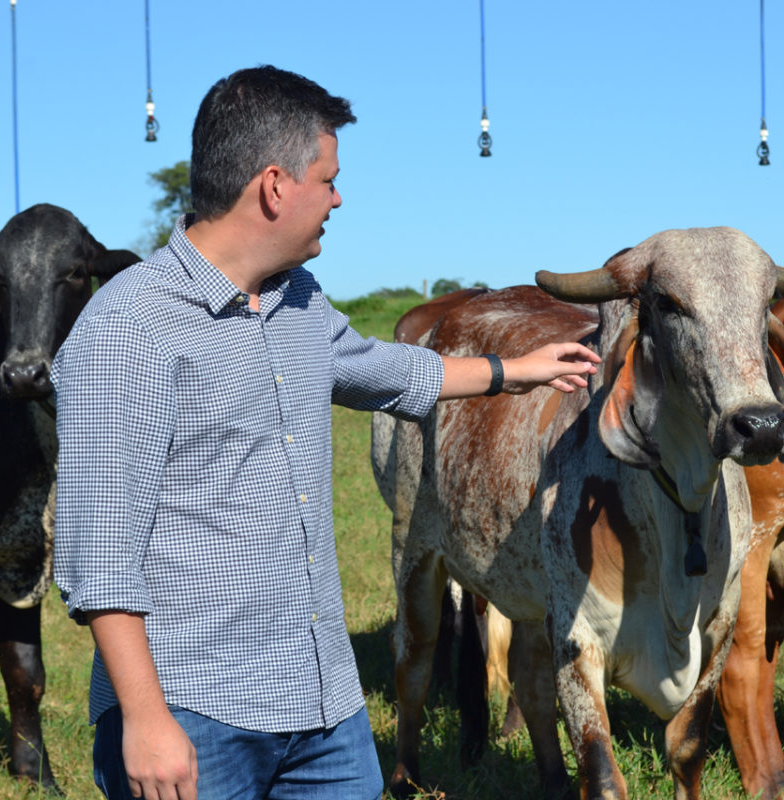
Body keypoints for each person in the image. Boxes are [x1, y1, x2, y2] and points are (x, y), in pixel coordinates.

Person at [52, 64, 599, 800]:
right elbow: (100, 554)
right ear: (275, 186)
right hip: (195, 714)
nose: (339, 198)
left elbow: (386, 370)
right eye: (329, 179)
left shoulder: (296, 300)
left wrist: (516, 370)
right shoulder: (128, 330)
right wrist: (144, 721)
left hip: (324, 705)